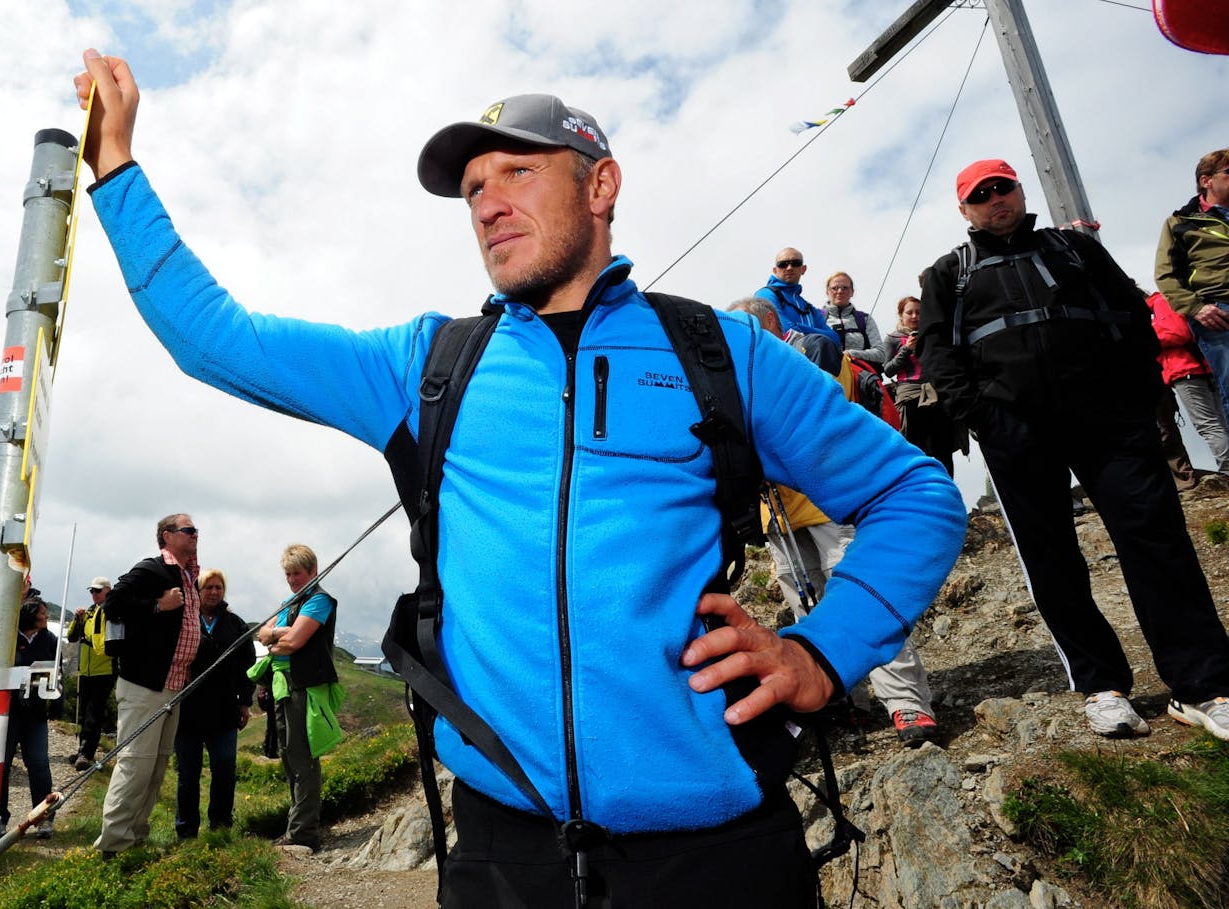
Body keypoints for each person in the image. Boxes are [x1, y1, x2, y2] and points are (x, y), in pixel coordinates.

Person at [73, 53, 965, 904]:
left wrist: (821, 651)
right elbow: (217, 340)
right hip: (503, 856)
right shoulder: (430, 366)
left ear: (600, 183)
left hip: (718, 849)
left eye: (516, 174)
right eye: (472, 191)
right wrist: (116, 168)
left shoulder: (721, 354)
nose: (487, 204)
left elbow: (916, 495)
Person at [918, 158, 1229, 741]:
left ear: (1018, 190)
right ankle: (1102, 686)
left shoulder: (1074, 249)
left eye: (1002, 187)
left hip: (1111, 424)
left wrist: (1139, 400)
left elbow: (1135, 316)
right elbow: (938, 357)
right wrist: (986, 420)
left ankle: (1205, 686)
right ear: (965, 210)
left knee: (1157, 542)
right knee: (1052, 560)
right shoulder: (946, 275)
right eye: (980, 195)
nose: (995, 200)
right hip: (1016, 434)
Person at [730, 297, 938, 746]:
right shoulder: (741, 372)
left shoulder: (813, 348)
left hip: (826, 500)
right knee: (808, 605)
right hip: (778, 511)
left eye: (745, 327)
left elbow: (818, 415)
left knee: (862, 595)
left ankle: (906, 703)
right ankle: (839, 695)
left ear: (768, 321)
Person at [93, 513, 200, 856]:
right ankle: (113, 844)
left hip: (173, 684)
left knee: (155, 767)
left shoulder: (188, 575)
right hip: (145, 685)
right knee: (136, 763)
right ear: (167, 536)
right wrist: (158, 605)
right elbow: (113, 603)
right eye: (188, 530)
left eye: (195, 530)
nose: (195, 534)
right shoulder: (152, 569)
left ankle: (134, 836)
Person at [257, 546, 338, 852]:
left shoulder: (319, 600)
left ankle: (304, 833)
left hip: (304, 686)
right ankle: (297, 827)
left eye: (297, 573)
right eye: (288, 573)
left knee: (302, 758)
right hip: (283, 685)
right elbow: (266, 635)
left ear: (312, 571)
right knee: (290, 757)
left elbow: (291, 642)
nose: (291, 579)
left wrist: (276, 636)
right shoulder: (291, 602)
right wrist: (280, 634)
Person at [173, 568, 253, 840]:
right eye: (208, 587)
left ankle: (220, 826)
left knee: (224, 768)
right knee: (188, 773)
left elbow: (247, 666)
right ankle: (186, 831)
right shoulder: (185, 621)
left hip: (224, 711)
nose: (214, 592)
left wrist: (245, 703)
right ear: (197, 590)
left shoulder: (235, 624)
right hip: (188, 711)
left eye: (219, 587)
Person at [1156, 147, 1229, 426]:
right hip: (1219, 314)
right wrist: (1195, 308)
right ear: (1206, 181)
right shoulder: (1181, 223)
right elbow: (1165, 274)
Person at [1147, 290, 1229, 483]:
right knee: (1218, 420)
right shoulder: (1164, 301)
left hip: (1186, 370)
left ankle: (1227, 469)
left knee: (1208, 424)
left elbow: (1178, 332)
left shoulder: (1160, 302)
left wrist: (1144, 334)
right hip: (1198, 367)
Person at [882, 295, 967, 476]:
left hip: (937, 396)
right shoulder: (893, 339)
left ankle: (945, 487)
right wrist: (906, 350)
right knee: (915, 450)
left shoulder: (933, 334)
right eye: (909, 312)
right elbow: (888, 370)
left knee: (942, 450)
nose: (914, 316)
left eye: (919, 313)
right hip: (910, 397)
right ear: (901, 315)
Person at [3, 594, 59, 838]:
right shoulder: (7, 638)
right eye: (42, 613)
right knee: (2, 765)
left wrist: (58, 703)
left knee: (38, 765)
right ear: (30, 616)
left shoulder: (50, 640)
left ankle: (44, 817)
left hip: (36, 713)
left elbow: (59, 672)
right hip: (8, 712)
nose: (46, 617)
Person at [65, 576, 118, 771]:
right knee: (84, 711)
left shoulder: (111, 611)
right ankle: (82, 750)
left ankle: (86, 754)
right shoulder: (89, 612)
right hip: (86, 670)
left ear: (107, 591)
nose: (94, 594)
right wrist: (77, 619)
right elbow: (72, 637)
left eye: (97, 591)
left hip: (103, 670)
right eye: (92, 591)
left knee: (93, 714)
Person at [756, 248, 835, 339]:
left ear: (803, 269)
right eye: (782, 265)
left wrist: (798, 326)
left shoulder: (808, 308)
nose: (789, 268)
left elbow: (834, 337)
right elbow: (785, 330)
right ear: (775, 270)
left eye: (795, 263)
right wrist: (814, 332)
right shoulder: (765, 295)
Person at [820, 271, 885, 364]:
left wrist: (851, 353)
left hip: (859, 374)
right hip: (826, 374)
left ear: (852, 292)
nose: (840, 291)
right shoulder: (816, 317)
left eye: (845, 288)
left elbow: (880, 354)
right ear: (827, 292)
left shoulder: (865, 320)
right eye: (835, 288)